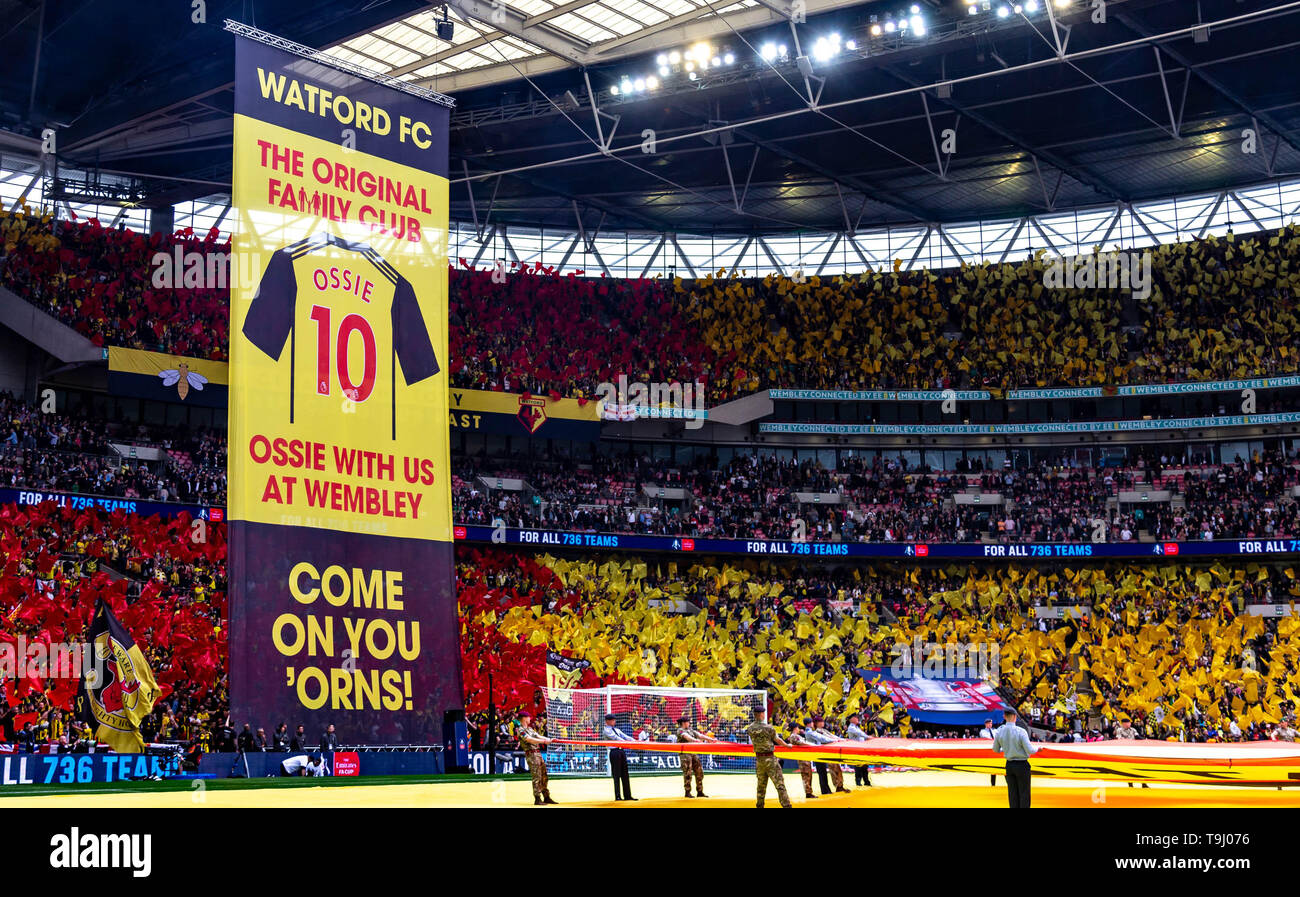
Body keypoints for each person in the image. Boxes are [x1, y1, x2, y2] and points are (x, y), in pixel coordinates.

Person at [745, 706, 792, 808]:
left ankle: (760, 805)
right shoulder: (768, 728)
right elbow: (777, 740)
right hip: (770, 759)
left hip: (759, 760)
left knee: (761, 785)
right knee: (779, 784)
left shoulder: (750, 728)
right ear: (761, 714)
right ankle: (786, 805)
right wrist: (787, 746)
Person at [992, 709, 1038, 808]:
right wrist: (1039, 749)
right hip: (1022, 765)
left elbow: (995, 749)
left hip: (1009, 765)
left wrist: (1005, 749)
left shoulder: (999, 731)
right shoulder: (1021, 731)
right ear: (1015, 717)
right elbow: (1030, 750)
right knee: (1024, 793)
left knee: (1012, 794)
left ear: (1004, 716)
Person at [516, 710, 558, 806]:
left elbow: (537, 736)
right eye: (528, 717)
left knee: (544, 775)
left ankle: (546, 796)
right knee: (537, 776)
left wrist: (548, 739)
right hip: (531, 754)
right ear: (524, 718)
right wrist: (544, 741)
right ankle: (537, 798)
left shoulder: (530, 729)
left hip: (538, 754)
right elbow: (529, 740)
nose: (530, 719)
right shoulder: (520, 730)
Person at [675, 715, 714, 798]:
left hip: (693, 752)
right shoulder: (680, 730)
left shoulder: (690, 730)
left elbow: (700, 735)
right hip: (685, 754)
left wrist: (710, 739)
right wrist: (695, 741)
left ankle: (700, 791)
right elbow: (686, 737)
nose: (689, 723)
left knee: (699, 771)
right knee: (687, 772)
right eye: (688, 722)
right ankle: (687, 792)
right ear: (683, 723)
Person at [810, 716, 850, 793]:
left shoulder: (822, 730)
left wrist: (840, 739)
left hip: (829, 750)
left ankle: (838, 786)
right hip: (825, 751)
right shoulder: (817, 731)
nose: (823, 723)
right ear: (816, 723)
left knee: (835, 768)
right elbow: (827, 738)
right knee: (831, 769)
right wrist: (838, 740)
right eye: (821, 721)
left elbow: (832, 736)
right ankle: (835, 787)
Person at [603, 712, 636, 801]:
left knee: (625, 774)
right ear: (607, 721)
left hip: (621, 751)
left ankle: (627, 795)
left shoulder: (616, 729)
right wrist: (626, 742)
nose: (614, 721)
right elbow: (616, 738)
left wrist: (634, 741)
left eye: (614, 720)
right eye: (612, 720)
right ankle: (618, 796)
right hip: (614, 752)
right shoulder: (606, 730)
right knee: (616, 774)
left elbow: (625, 736)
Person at [787, 722, 817, 799]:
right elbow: (802, 743)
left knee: (808, 774)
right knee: (806, 775)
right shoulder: (794, 736)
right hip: (802, 757)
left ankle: (809, 792)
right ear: (795, 728)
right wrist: (813, 746)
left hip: (805, 756)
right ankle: (808, 793)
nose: (799, 729)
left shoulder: (796, 736)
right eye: (797, 727)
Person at [844, 712, 872, 787]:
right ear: (852, 719)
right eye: (856, 717)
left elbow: (862, 735)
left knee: (864, 766)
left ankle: (866, 781)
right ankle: (858, 782)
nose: (857, 719)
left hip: (861, 749)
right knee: (858, 767)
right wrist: (868, 737)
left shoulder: (856, 727)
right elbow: (861, 734)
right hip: (856, 749)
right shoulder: (851, 728)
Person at [978, 718, 998, 786]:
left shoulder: (995, 731)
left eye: (991, 723)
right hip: (989, 750)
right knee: (993, 768)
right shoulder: (982, 731)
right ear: (986, 724)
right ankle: (993, 784)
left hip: (996, 749)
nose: (990, 724)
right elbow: (986, 738)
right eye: (989, 723)